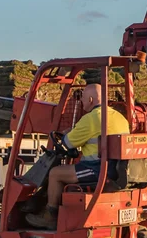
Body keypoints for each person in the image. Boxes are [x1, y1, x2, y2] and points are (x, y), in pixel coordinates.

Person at [24, 83, 130, 229]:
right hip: (114, 169)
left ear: (91, 100)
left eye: (83, 99)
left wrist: (68, 134)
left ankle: (50, 216)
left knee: (55, 174)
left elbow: (66, 144)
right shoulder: (120, 117)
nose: (81, 102)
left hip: (97, 170)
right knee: (65, 170)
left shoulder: (91, 119)